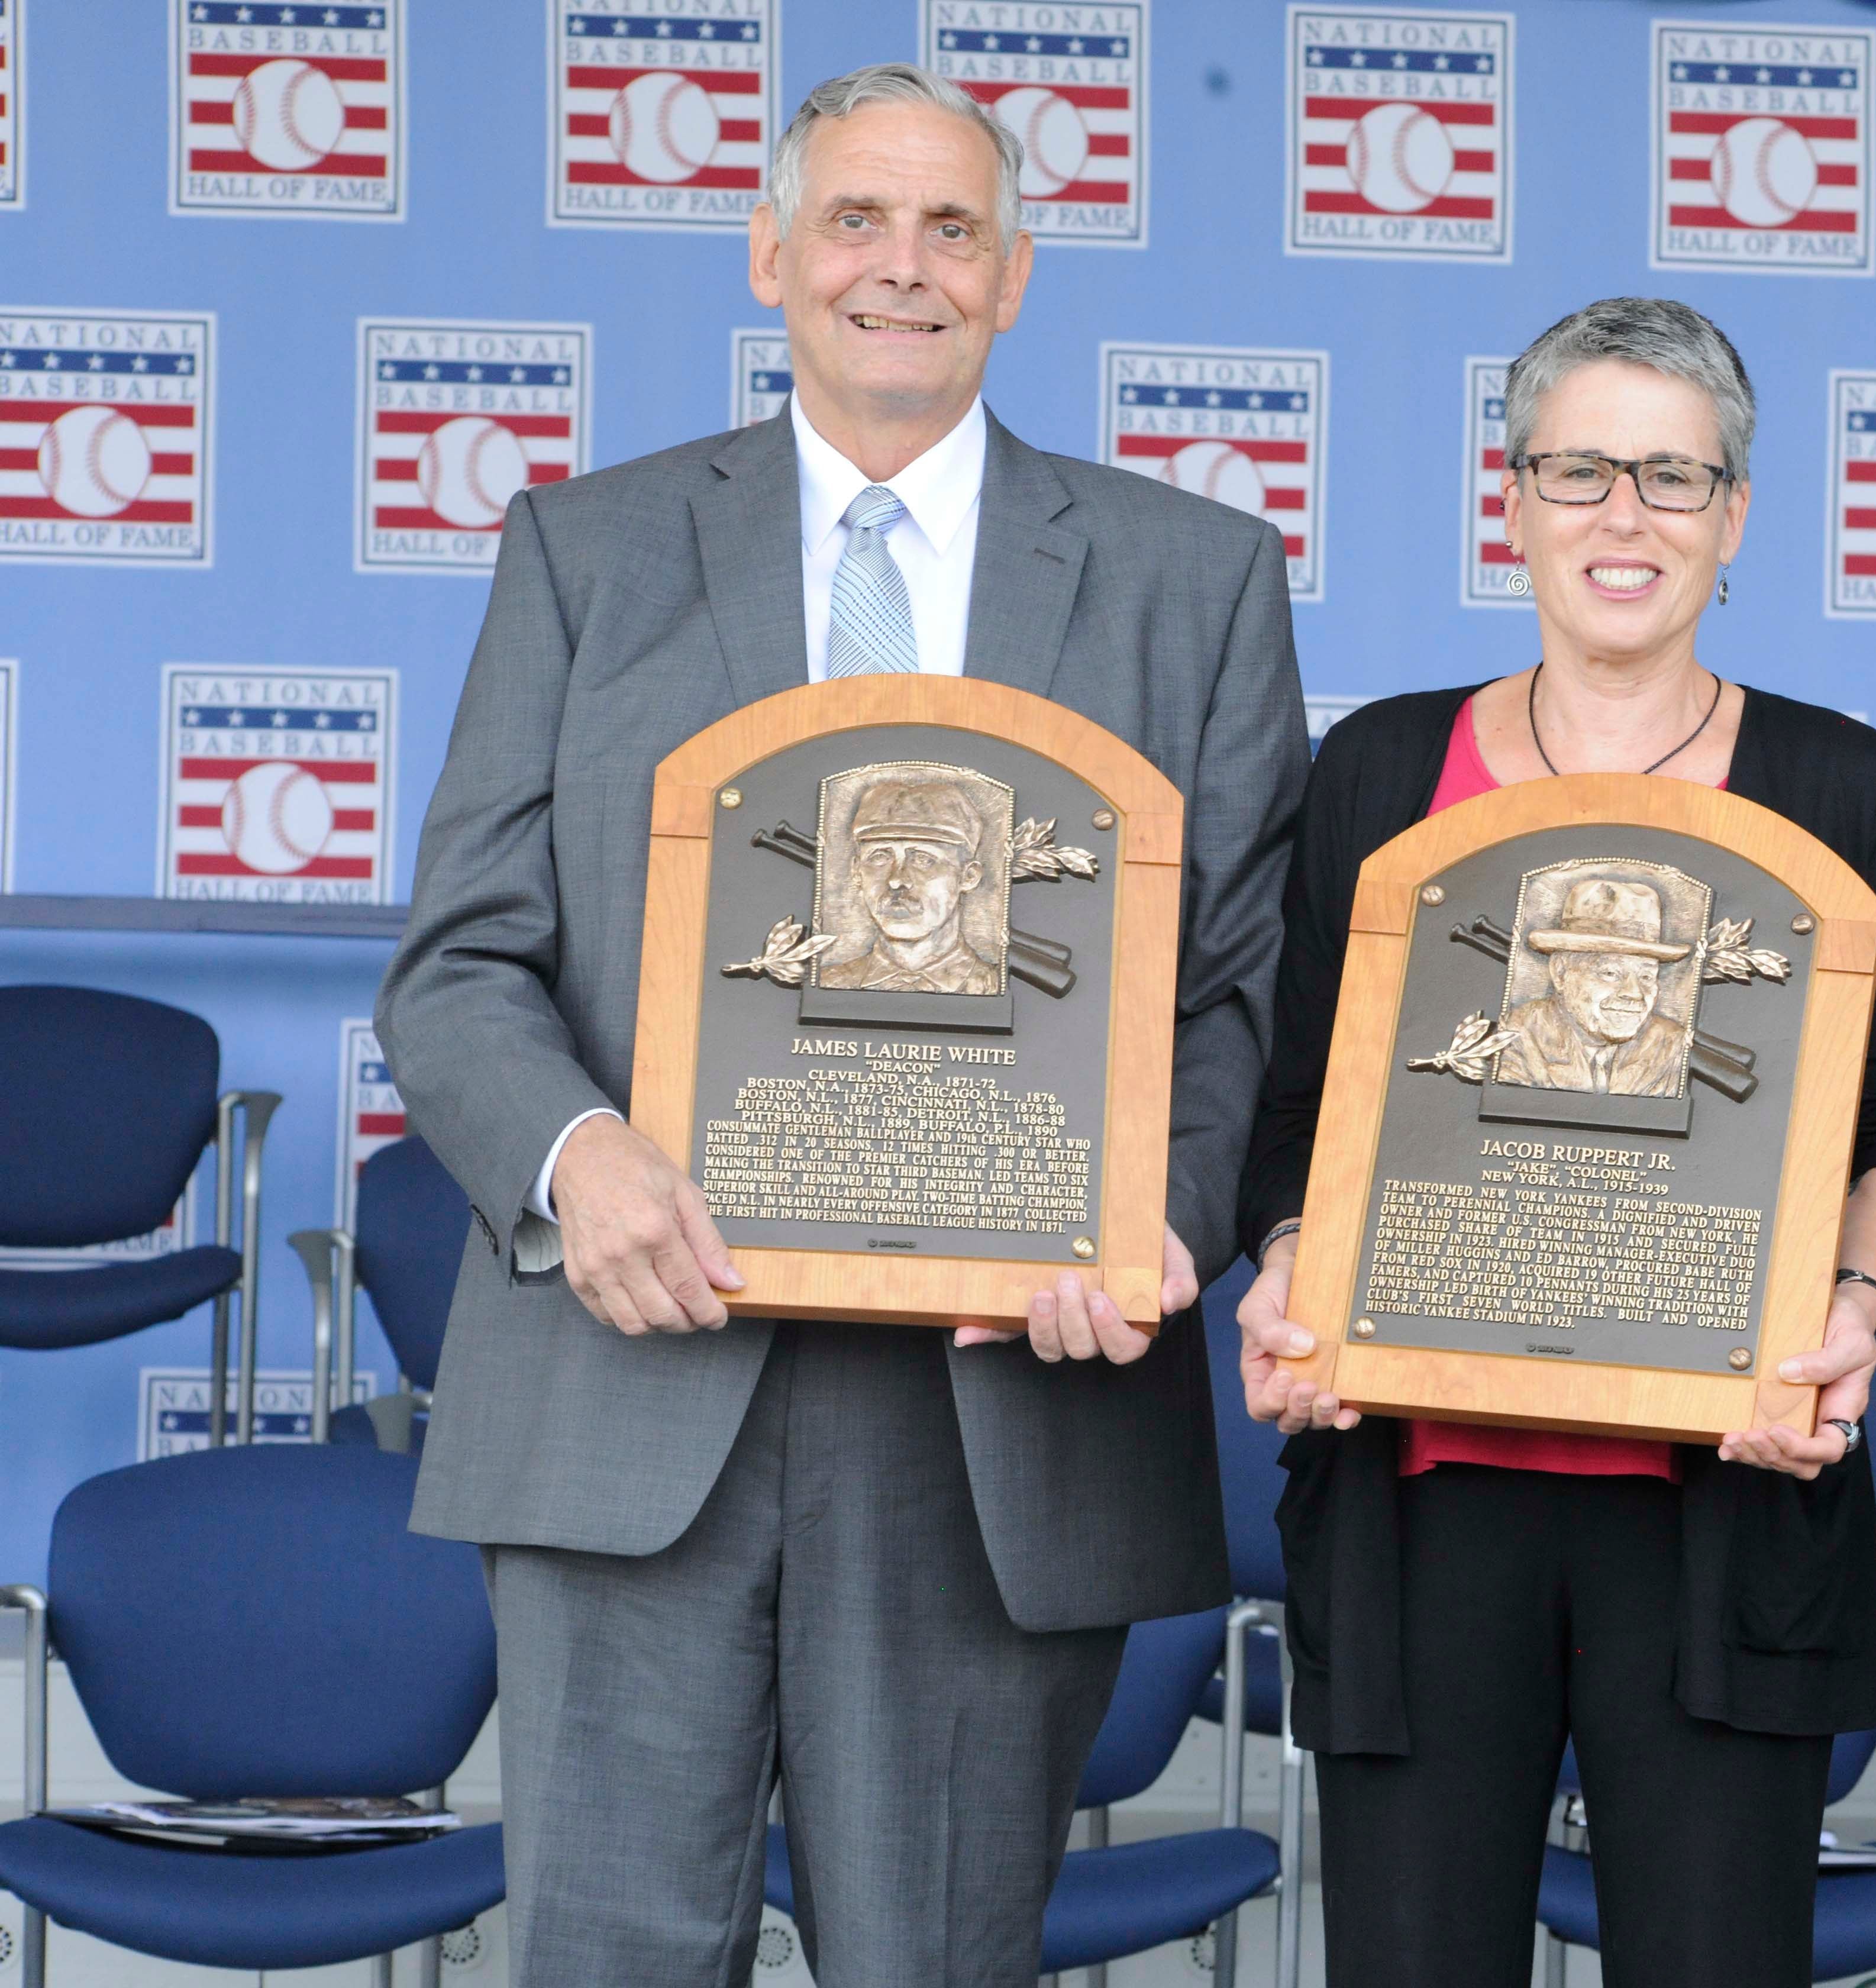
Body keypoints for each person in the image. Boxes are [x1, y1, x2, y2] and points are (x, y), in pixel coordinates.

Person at [376, 62, 1306, 1987]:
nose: (905, 268)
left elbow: (1239, 991)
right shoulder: (586, 547)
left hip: (992, 1417)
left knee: (937, 1964)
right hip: (635, 1378)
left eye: (953, 228)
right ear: (771, 255)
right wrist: (575, 1155)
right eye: (858, 223)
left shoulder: (1190, 581)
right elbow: (460, 960)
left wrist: (1163, 1223)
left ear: (1018, 275)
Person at [1228, 296, 1876, 1988]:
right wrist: (1285, 1277)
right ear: (1514, 499)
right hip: (1420, 1499)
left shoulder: (1842, 787)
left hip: (1721, 1509)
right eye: (1581, 472)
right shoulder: (1384, 770)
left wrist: (1853, 1304)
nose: (1625, 517)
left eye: (1674, 478)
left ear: (1737, 518)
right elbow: (1294, 1123)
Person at [1493, 874, 1697, 1094]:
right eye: (1610, 973)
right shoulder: (1515, 1038)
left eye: (1647, 977)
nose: (1635, 994)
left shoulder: (1668, 1044)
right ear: (1560, 972)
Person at [816, 771, 1010, 995]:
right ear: (857, 871)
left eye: (923, 859)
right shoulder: (830, 985)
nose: (897, 880)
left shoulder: (994, 988)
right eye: (879, 857)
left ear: (969, 876)